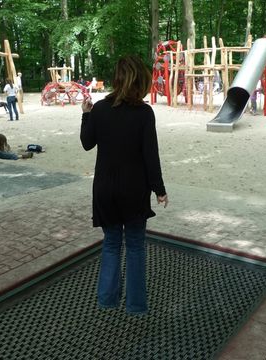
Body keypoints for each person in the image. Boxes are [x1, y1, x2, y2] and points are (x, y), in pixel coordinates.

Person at [80, 55, 168, 315]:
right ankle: (136, 305)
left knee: (110, 244)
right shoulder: (143, 113)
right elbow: (150, 155)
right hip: (133, 190)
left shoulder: (100, 109)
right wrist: (159, 189)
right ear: (141, 81)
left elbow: (87, 143)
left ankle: (107, 300)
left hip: (105, 189)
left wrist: (86, 115)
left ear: (117, 79)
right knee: (136, 246)